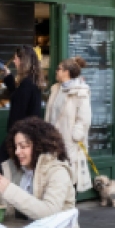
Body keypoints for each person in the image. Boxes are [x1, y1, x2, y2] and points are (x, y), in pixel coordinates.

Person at [0, 117, 76, 221]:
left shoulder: (58, 171)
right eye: (16, 147)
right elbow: (8, 214)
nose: (17, 152)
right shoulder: (19, 170)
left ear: (38, 146)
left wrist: (9, 189)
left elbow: (49, 213)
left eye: (23, 147)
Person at [0, 45, 45, 170]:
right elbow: (19, 97)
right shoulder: (32, 81)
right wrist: (8, 76)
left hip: (21, 134)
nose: (14, 61)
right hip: (28, 134)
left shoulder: (26, 84)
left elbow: (18, 109)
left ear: (23, 61)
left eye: (16, 58)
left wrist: (12, 135)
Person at [45, 56, 93, 192]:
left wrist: (75, 136)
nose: (56, 71)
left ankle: (69, 207)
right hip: (53, 139)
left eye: (59, 68)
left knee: (69, 173)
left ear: (66, 72)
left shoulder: (80, 92)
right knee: (55, 173)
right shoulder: (56, 89)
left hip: (69, 141)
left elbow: (84, 119)